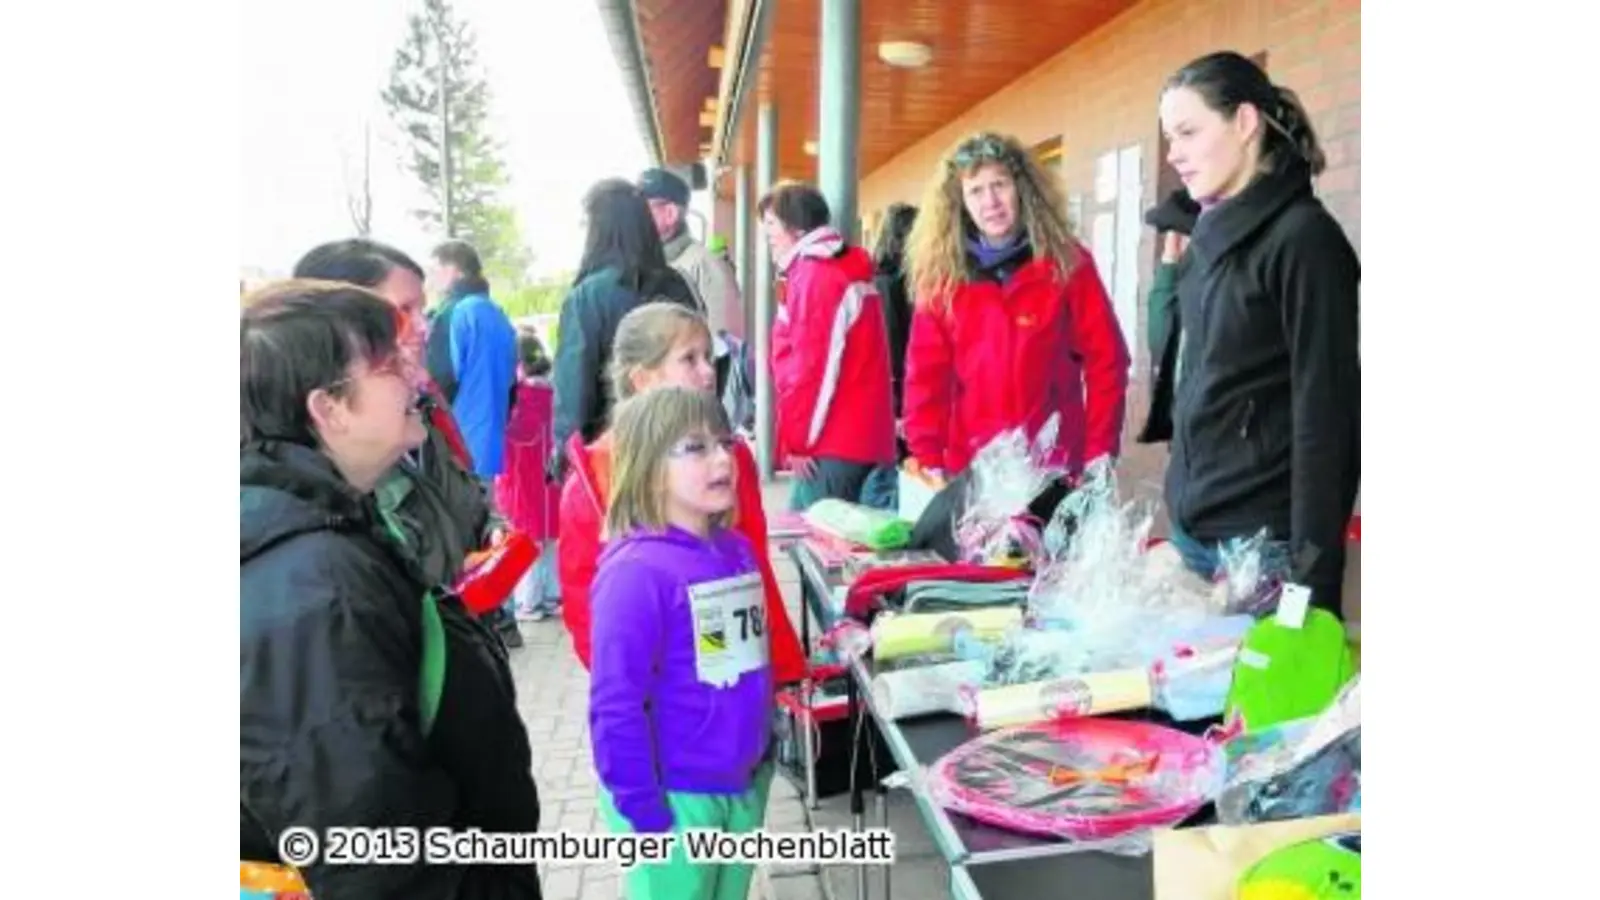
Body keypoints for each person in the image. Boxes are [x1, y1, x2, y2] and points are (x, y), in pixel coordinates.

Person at [241, 281, 541, 899]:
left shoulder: (326, 528)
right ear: (330, 409)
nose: (416, 375)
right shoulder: (314, 588)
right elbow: (371, 855)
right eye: (389, 364)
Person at [1156, 50, 1360, 615]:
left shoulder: (1305, 241)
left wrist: (1311, 588)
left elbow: (1329, 418)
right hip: (1195, 535)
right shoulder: (1210, 237)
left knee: (1257, 706)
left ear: (1245, 123)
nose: (1173, 154)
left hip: (1265, 549)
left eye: (1188, 132)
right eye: (1169, 136)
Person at [588, 386, 773, 900]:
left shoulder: (736, 550)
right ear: (649, 465)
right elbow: (613, 703)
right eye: (695, 447)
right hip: (674, 801)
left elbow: (750, 661)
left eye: (724, 442)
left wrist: (763, 752)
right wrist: (644, 814)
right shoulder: (636, 573)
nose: (721, 458)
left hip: (738, 786)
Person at [558, 302, 804, 686]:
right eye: (689, 359)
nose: (709, 372)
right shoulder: (594, 478)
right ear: (643, 379)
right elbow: (585, 610)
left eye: (709, 356)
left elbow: (756, 575)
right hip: (659, 694)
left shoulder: (732, 458)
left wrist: (785, 670)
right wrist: (632, 691)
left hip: (734, 687)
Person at [291, 239, 521, 647]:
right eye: (402, 312)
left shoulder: (424, 412)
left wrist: (491, 537)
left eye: (421, 308)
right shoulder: (331, 466)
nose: (422, 326)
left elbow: (463, 503)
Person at [902, 131, 1130, 486]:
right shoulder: (942, 280)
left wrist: (1099, 453)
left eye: (1000, 184)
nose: (990, 201)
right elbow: (925, 379)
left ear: (1021, 189)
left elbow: (1107, 362)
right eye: (975, 190)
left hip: (1055, 466)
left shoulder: (1067, 264)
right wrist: (927, 458)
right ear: (959, 201)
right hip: (974, 470)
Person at [759, 181, 896, 510]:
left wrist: (797, 441)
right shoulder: (838, 267)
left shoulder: (815, 275)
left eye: (771, 225)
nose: (767, 236)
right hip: (859, 433)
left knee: (809, 539)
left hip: (832, 441)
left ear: (796, 227)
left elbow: (810, 371)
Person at [552, 178, 700, 465]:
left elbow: (574, 386)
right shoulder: (676, 284)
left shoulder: (588, 296)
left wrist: (564, 451)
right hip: (679, 436)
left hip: (617, 447)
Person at [426, 239, 520, 482]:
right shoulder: (496, 313)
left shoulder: (454, 312)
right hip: (491, 441)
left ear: (455, 270)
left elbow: (438, 380)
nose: (432, 277)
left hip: (458, 441)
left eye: (436, 269)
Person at [498, 327, 562, 621]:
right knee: (549, 542)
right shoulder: (556, 394)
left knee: (527, 544)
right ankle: (552, 597)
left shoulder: (518, 400)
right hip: (552, 482)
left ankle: (529, 603)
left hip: (524, 483)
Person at [860, 203, 919, 510]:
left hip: (902, 395)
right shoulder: (888, 284)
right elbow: (892, 349)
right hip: (899, 398)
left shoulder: (886, 281)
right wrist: (897, 410)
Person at [640, 168, 745, 339]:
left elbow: (727, 343)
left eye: (642, 208)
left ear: (670, 213)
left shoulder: (706, 264)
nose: (634, 216)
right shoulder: (648, 264)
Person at [1135, 190, 1200, 445]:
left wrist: (1169, 264)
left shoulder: (1205, 280)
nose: (1170, 245)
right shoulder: (1189, 281)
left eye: (1178, 235)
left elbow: (1160, 334)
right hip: (1184, 431)